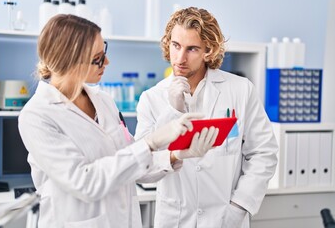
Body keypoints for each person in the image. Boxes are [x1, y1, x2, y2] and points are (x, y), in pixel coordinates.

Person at [18, 14, 219, 228]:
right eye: (97, 58)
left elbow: (131, 163)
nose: (107, 61)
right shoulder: (37, 116)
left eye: (104, 51)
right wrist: (151, 141)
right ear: (69, 60)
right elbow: (85, 183)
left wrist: (174, 155)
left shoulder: (103, 101)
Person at [135, 7, 279, 228]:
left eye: (192, 49)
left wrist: (239, 207)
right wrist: (173, 112)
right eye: (176, 46)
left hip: (225, 218)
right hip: (175, 220)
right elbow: (142, 169)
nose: (180, 58)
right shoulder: (151, 98)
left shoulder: (240, 90)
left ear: (209, 50)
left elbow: (264, 153)